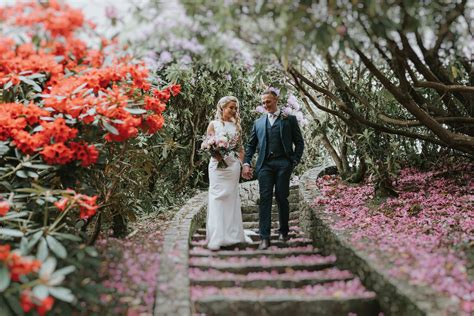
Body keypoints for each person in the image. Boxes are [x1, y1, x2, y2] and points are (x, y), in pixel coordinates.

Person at [242, 88, 304, 250]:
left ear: (276, 100)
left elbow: (299, 142)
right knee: (265, 199)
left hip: (284, 163)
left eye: (268, 101)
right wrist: (246, 162)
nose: (265, 105)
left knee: (282, 197)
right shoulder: (258, 123)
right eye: (263, 103)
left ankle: (284, 231)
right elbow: (251, 146)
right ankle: (265, 237)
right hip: (265, 165)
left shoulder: (289, 119)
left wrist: (294, 160)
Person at [205, 96, 249, 250]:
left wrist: (242, 164)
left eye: (236, 108)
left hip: (232, 167)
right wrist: (213, 152)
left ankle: (233, 234)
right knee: (217, 197)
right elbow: (206, 144)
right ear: (222, 107)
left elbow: (241, 149)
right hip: (216, 166)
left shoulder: (237, 127)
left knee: (231, 199)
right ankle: (217, 236)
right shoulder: (213, 124)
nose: (234, 110)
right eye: (231, 107)